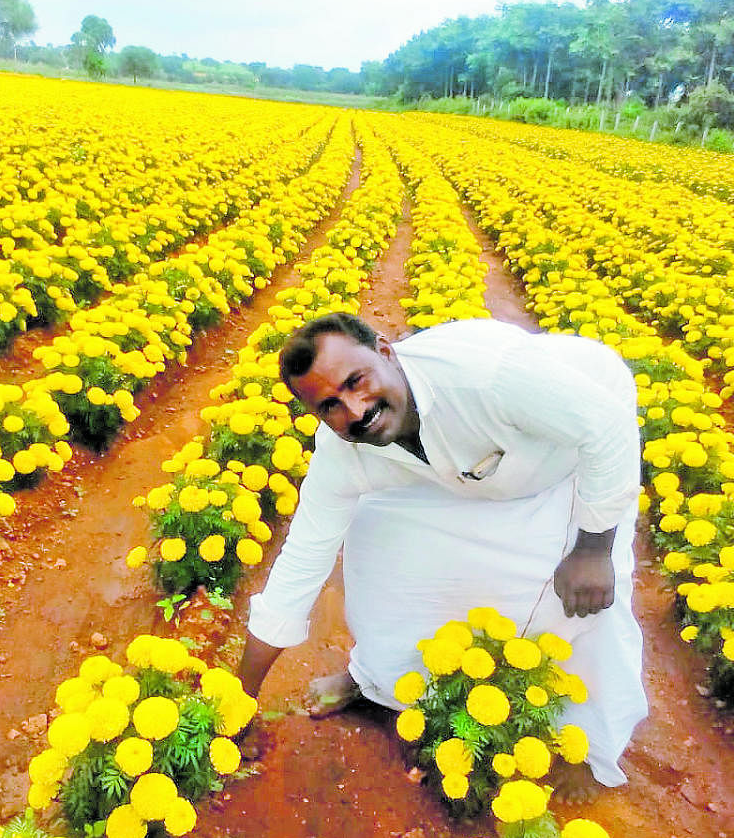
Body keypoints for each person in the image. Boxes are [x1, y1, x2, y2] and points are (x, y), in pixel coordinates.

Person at [236, 312, 648, 799]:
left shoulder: (488, 376)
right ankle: (371, 679)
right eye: (330, 405)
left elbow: (607, 429)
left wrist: (594, 547)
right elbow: (300, 563)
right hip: (466, 469)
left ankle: (583, 741)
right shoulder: (344, 452)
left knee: (583, 595)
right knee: (382, 550)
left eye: (356, 381)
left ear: (386, 352)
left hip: (569, 451)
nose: (354, 409)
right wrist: (239, 704)